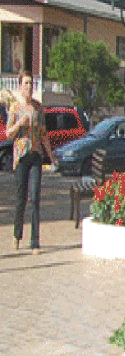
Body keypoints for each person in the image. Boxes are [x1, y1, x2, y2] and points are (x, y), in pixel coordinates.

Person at [7, 72, 57, 254]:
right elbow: (8, 134)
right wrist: (19, 123)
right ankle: (16, 234)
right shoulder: (14, 107)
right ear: (21, 86)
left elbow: (44, 133)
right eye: (26, 83)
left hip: (35, 156)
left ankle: (35, 242)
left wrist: (50, 155)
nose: (29, 86)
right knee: (21, 198)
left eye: (31, 83)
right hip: (21, 157)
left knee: (35, 197)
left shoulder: (38, 108)